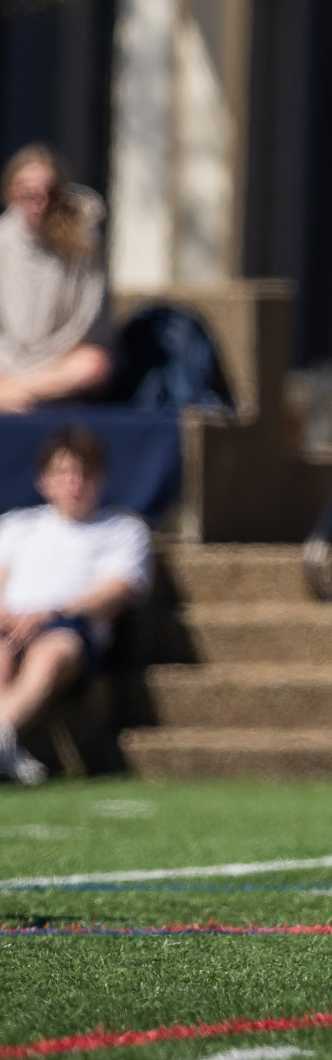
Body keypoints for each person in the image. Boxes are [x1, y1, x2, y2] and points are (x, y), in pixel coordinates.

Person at [0, 426, 150, 784]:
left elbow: (116, 590)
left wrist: (50, 614)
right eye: (63, 473)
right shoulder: (17, 525)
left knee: (50, 656)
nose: (74, 483)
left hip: (71, 625)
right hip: (12, 621)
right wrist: (9, 617)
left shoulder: (124, 529)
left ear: (101, 477)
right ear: (43, 480)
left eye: (84, 473)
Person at [0, 145, 113, 413]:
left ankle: (13, 396)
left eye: (49, 193)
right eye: (28, 193)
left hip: (62, 361)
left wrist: (22, 382)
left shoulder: (83, 244)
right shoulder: (3, 242)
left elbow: (89, 319)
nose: (39, 202)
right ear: (11, 194)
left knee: (94, 365)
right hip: (7, 360)